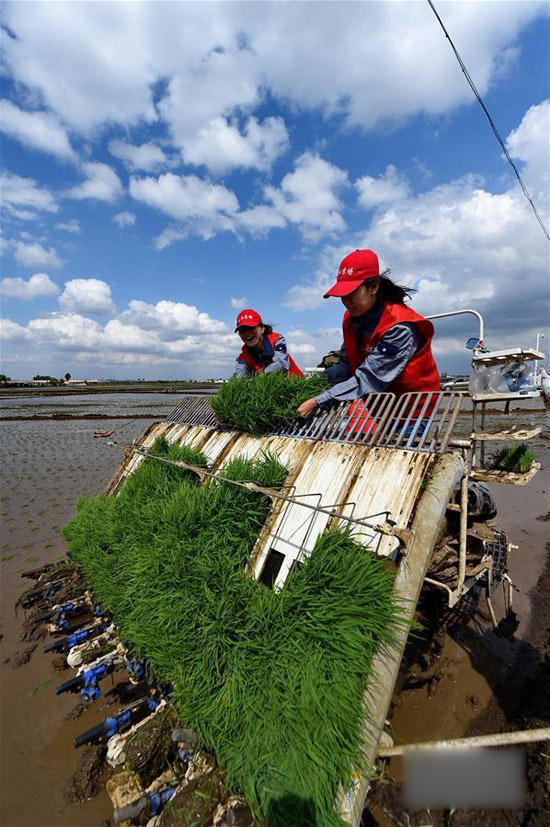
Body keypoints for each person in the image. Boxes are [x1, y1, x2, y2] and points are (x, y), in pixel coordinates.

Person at [296, 249, 439, 417]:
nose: (346, 302)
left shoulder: (399, 326)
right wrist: (311, 384)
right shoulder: (352, 318)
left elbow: (369, 378)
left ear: (373, 287)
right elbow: (345, 365)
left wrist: (318, 401)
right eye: (342, 295)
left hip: (412, 408)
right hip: (380, 406)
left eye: (351, 293)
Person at [233, 309, 304, 377]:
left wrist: (259, 379)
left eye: (251, 328)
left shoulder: (277, 340)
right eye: (242, 330)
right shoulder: (243, 356)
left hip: (297, 386)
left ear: (262, 328)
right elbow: (240, 377)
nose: (246, 333)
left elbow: (281, 364)